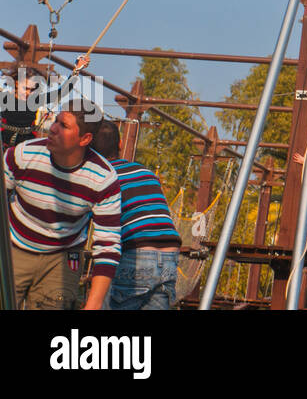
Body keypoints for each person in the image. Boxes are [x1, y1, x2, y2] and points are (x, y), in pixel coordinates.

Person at [3, 98, 121, 309]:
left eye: (63, 125)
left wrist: (93, 304)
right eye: (55, 121)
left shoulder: (103, 179)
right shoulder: (22, 154)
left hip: (63, 255)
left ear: (85, 139)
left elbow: (108, 246)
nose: (53, 129)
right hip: (15, 245)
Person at [89, 120, 181, 310]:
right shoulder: (145, 172)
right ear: (120, 144)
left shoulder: (102, 178)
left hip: (136, 254)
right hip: (169, 254)